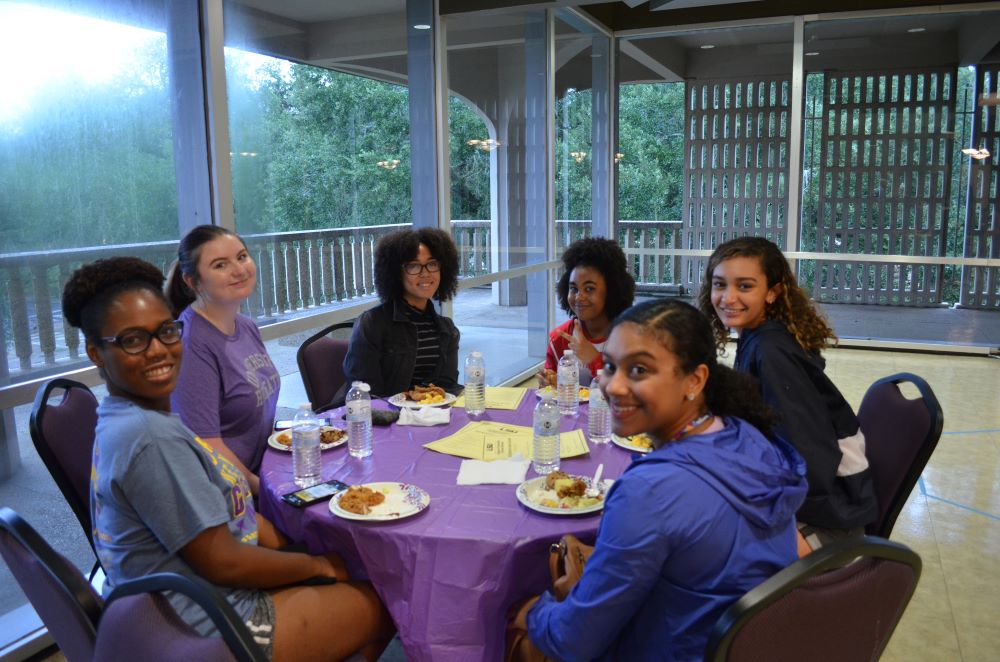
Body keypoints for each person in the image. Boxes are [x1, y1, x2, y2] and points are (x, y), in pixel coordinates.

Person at [62, 256, 393, 661]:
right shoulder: (151, 437)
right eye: (133, 340)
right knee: (390, 598)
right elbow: (224, 563)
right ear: (95, 352)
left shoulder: (126, 417)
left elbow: (231, 525)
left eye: (166, 331)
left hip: (169, 611)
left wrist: (304, 551)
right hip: (214, 625)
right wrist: (319, 566)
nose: (158, 350)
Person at [514, 299, 807, 661]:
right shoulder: (748, 437)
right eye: (609, 366)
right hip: (748, 644)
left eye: (639, 370)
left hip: (677, 648)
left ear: (695, 380)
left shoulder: (649, 491)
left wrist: (533, 612)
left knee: (516, 619)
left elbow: (572, 641)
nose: (613, 386)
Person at [699, 236, 878, 548]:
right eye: (719, 284)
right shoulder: (758, 336)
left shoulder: (772, 353)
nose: (728, 297)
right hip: (812, 501)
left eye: (744, 286)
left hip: (827, 519)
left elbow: (810, 461)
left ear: (772, 292)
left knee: (702, 545)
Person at [165, 225, 279, 495]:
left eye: (241, 257)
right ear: (192, 281)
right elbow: (207, 447)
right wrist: (268, 494)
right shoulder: (192, 344)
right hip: (228, 494)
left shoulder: (246, 325)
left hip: (264, 470)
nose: (239, 270)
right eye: (220, 265)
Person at [342, 227, 461, 399]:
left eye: (432, 264)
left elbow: (447, 388)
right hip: (383, 413)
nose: (425, 273)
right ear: (396, 273)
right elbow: (365, 392)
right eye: (413, 266)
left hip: (431, 412)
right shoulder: (372, 324)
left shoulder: (447, 329)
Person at [538, 237, 635, 387]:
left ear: (612, 291)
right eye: (573, 288)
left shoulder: (630, 338)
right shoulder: (560, 339)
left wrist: (594, 358)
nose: (579, 297)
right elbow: (552, 390)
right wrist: (548, 383)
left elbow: (630, 389)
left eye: (589, 289)